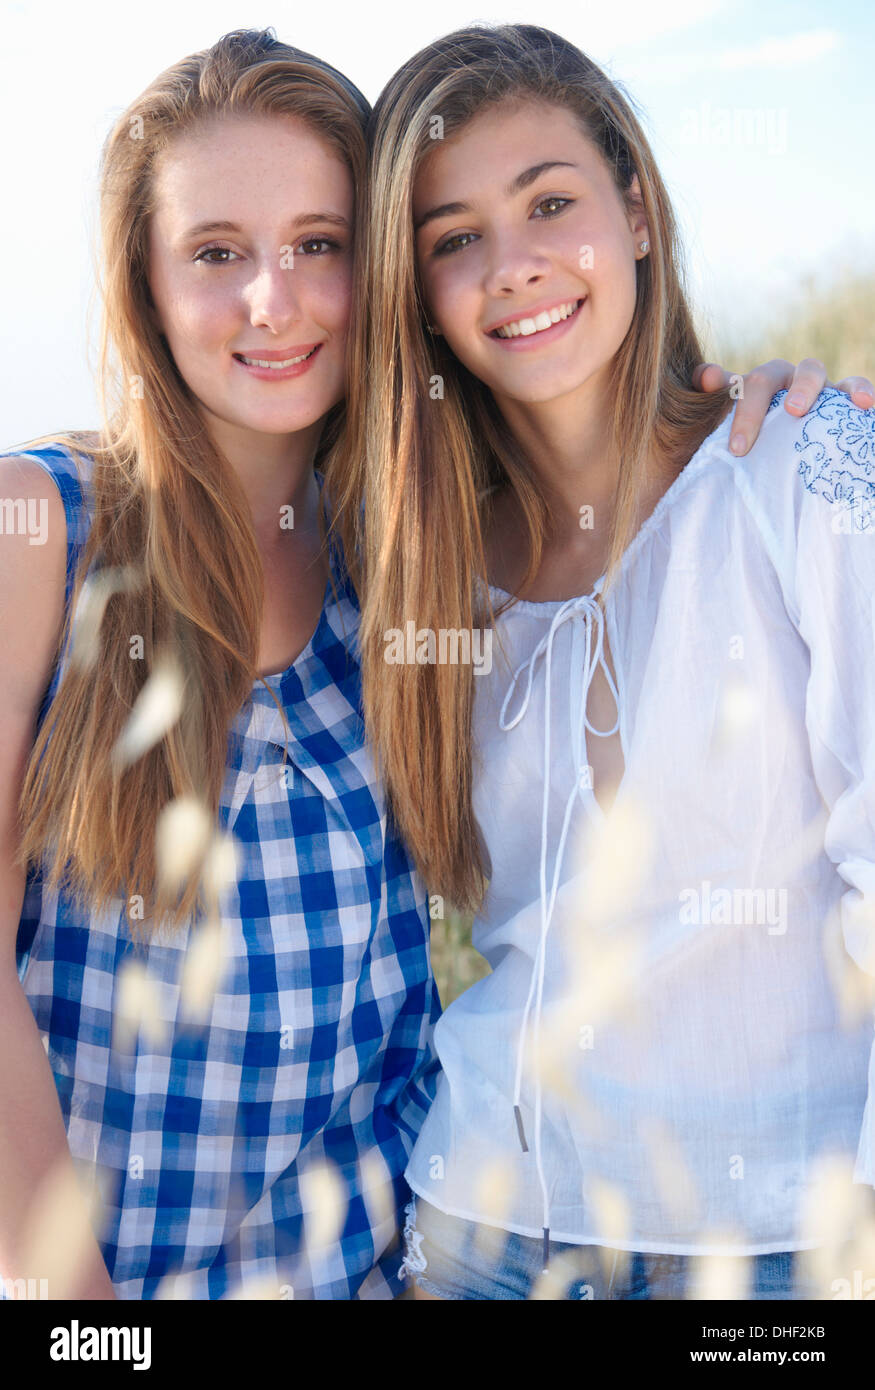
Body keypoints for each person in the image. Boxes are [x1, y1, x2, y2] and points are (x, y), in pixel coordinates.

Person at [337, 23, 875, 1299]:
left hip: (772, 1244)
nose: (511, 268)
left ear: (635, 211)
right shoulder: (419, 564)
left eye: (549, 204)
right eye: (453, 238)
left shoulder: (803, 475)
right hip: (476, 1225)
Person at [0, 29, 440, 1301]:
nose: (275, 299)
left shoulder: (407, 563)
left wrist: (787, 412)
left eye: (319, 243)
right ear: (143, 283)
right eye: (216, 254)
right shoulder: (45, 532)